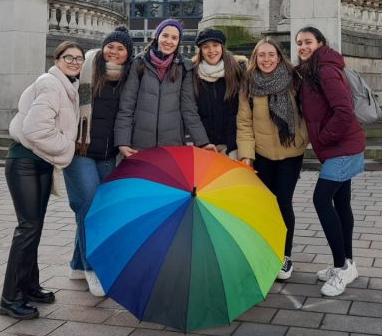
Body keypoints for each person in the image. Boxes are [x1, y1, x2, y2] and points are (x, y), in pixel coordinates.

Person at [0, 41, 83, 320]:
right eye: (68, 57)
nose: (74, 61)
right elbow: (34, 129)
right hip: (24, 162)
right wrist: (67, 146)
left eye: (79, 58)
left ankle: (30, 286)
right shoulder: (50, 84)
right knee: (27, 227)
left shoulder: (67, 87)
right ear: (57, 60)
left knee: (34, 226)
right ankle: (10, 299)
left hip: (40, 162)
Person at [63, 26, 134, 297]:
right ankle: (94, 269)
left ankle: (77, 265)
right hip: (80, 149)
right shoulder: (86, 68)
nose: (114, 52)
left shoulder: (128, 78)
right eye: (111, 46)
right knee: (89, 208)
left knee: (98, 211)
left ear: (128, 54)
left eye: (121, 49)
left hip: (106, 155)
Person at [295, 26, 365, 297]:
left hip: (342, 148)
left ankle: (341, 267)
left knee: (321, 200)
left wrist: (323, 138)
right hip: (339, 147)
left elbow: (344, 110)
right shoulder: (314, 69)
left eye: (308, 42)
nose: (302, 46)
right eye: (299, 42)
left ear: (321, 43)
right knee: (341, 202)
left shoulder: (324, 70)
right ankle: (349, 263)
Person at [236, 38, 308, 281]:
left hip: (291, 153)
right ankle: (266, 251)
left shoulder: (294, 80)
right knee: (265, 205)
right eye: (261, 55)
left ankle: (285, 256)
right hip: (263, 154)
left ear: (279, 57)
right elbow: (244, 123)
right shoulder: (248, 84)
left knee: (283, 202)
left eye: (271, 55)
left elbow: (307, 113)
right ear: (255, 58)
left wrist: (303, 138)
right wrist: (247, 155)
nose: (266, 59)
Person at [114, 19, 214, 155]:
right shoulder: (138, 64)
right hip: (139, 145)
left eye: (174, 38)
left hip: (173, 145)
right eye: (165, 35)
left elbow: (189, 110)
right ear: (157, 37)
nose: (169, 41)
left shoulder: (185, 67)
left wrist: (203, 142)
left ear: (178, 42)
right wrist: (123, 141)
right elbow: (127, 106)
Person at [191, 28, 246, 159]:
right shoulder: (192, 74)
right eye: (206, 47)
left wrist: (233, 146)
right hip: (206, 147)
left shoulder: (238, 71)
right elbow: (192, 113)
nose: (211, 51)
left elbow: (244, 112)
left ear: (222, 47)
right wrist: (203, 143)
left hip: (234, 147)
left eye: (215, 45)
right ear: (201, 51)